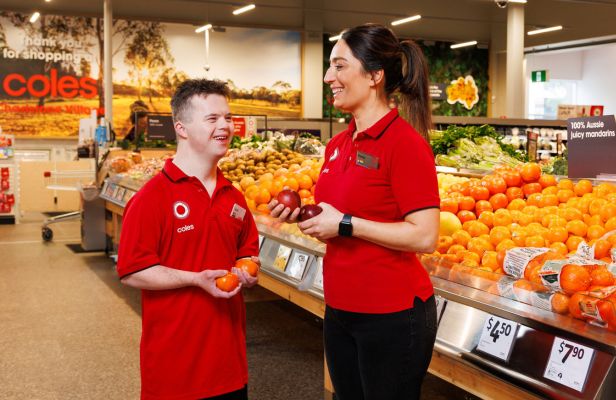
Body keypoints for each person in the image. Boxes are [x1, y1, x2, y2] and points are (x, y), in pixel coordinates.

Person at [270, 23, 440, 400]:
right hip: (340, 308)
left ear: (375, 75)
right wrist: (305, 218)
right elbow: (337, 217)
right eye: (330, 67)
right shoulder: (338, 144)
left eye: (340, 66)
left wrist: (345, 225)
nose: (329, 76)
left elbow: (425, 235)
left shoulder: (405, 145)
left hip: (393, 314)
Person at [117, 79, 259, 400]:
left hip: (230, 370)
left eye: (227, 117)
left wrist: (247, 271)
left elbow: (248, 253)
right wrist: (195, 280)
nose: (225, 125)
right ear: (181, 128)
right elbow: (131, 271)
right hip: (174, 374)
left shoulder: (233, 196)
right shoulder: (151, 198)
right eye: (212, 119)